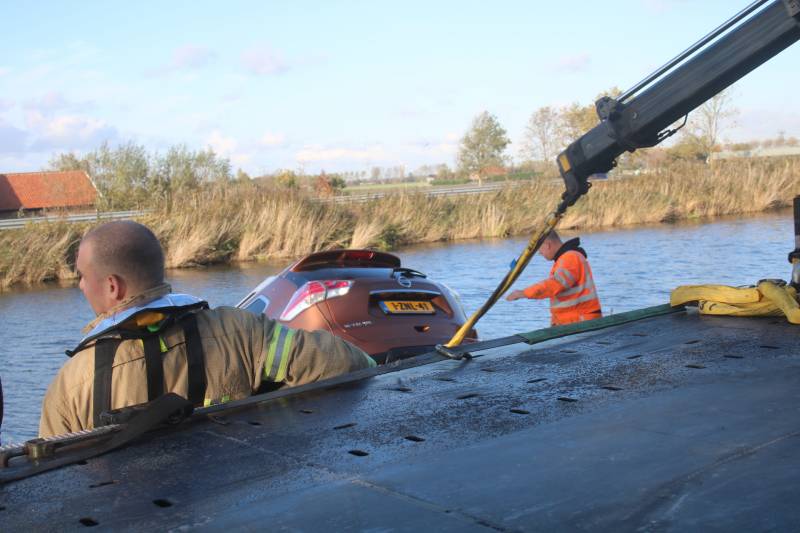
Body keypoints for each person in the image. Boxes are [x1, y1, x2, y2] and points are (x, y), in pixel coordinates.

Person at [39, 221, 375, 438]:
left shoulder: (71, 384)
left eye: (82, 275)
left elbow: (50, 480)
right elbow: (352, 364)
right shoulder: (240, 330)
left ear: (112, 286)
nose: (80, 285)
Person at [506, 230, 602, 326]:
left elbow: (556, 284)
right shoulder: (565, 258)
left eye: (540, 249)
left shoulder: (570, 258)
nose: (540, 253)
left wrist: (524, 293)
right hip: (574, 322)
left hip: (582, 322)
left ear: (547, 245)